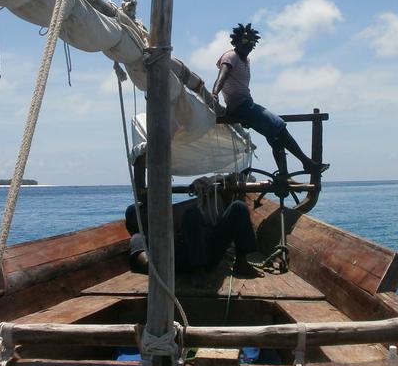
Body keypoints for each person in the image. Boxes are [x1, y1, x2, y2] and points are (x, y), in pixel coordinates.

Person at [213, 23, 329, 178]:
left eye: (252, 43)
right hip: (240, 107)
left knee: (275, 138)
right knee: (279, 126)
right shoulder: (230, 57)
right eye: (246, 41)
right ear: (236, 41)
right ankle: (306, 163)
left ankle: (284, 175)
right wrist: (214, 93)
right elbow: (222, 76)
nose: (249, 45)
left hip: (247, 104)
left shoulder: (246, 60)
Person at [125, 197, 262, 278]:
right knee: (192, 213)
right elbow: (145, 262)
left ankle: (241, 262)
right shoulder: (139, 237)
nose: (152, 211)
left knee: (238, 207)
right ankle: (199, 272)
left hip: (206, 252)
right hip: (187, 263)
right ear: (137, 220)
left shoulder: (165, 227)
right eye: (145, 211)